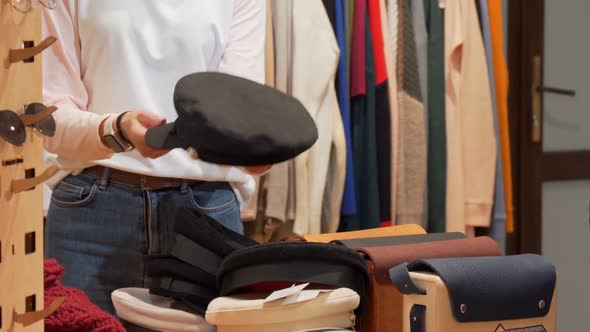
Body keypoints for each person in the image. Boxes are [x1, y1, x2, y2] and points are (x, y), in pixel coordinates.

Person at [42, 0, 268, 314]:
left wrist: (249, 146)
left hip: (204, 213)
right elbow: (47, 117)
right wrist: (115, 129)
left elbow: (240, 108)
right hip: (90, 215)